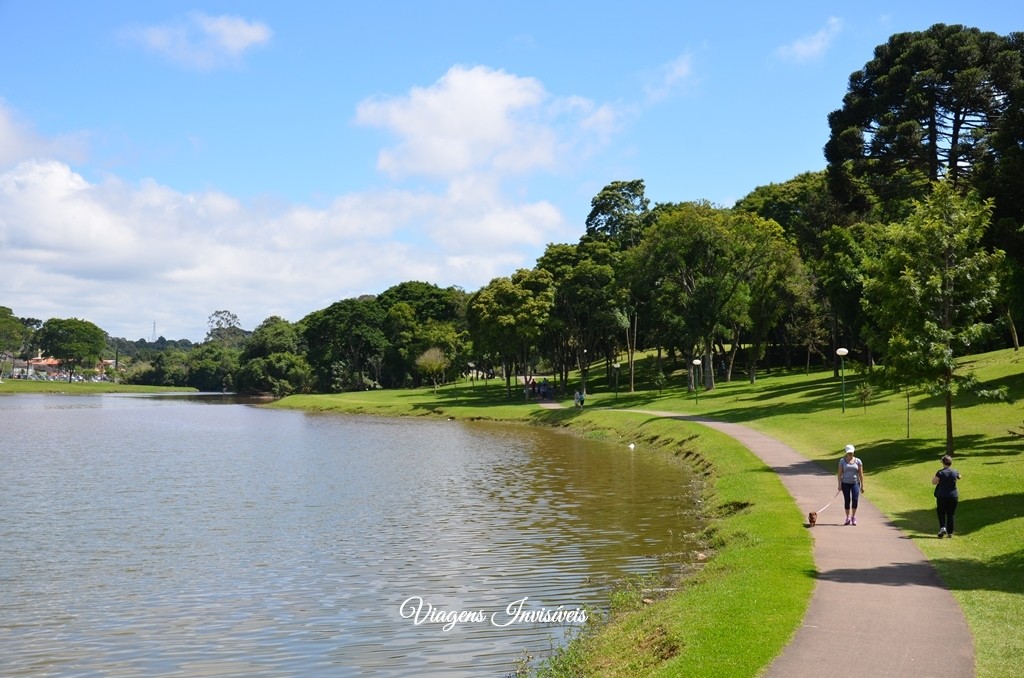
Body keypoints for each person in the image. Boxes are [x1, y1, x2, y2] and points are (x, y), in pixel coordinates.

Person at [932, 455, 963, 538]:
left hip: (942, 495)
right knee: (951, 514)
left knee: (941, 512)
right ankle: (950, 532)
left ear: (943, 463)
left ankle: (943, 527)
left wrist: (934, 478)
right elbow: (959, 477)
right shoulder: (954, 471)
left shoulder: (940, 472)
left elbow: (934, 482)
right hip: (953, 496)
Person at [837, 444, 865, 525]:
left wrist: (862, 485)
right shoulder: (842, 461)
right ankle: (847, 517)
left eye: (851, 453)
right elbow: (839, 473)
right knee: (847, 500)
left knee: (855, 499)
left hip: (855, 483)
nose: (850, 455)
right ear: (846, 453)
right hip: (845, 483)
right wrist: (839, 484)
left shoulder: (858, 461)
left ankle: (853, 516)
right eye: (849, 453)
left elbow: (861, 474)